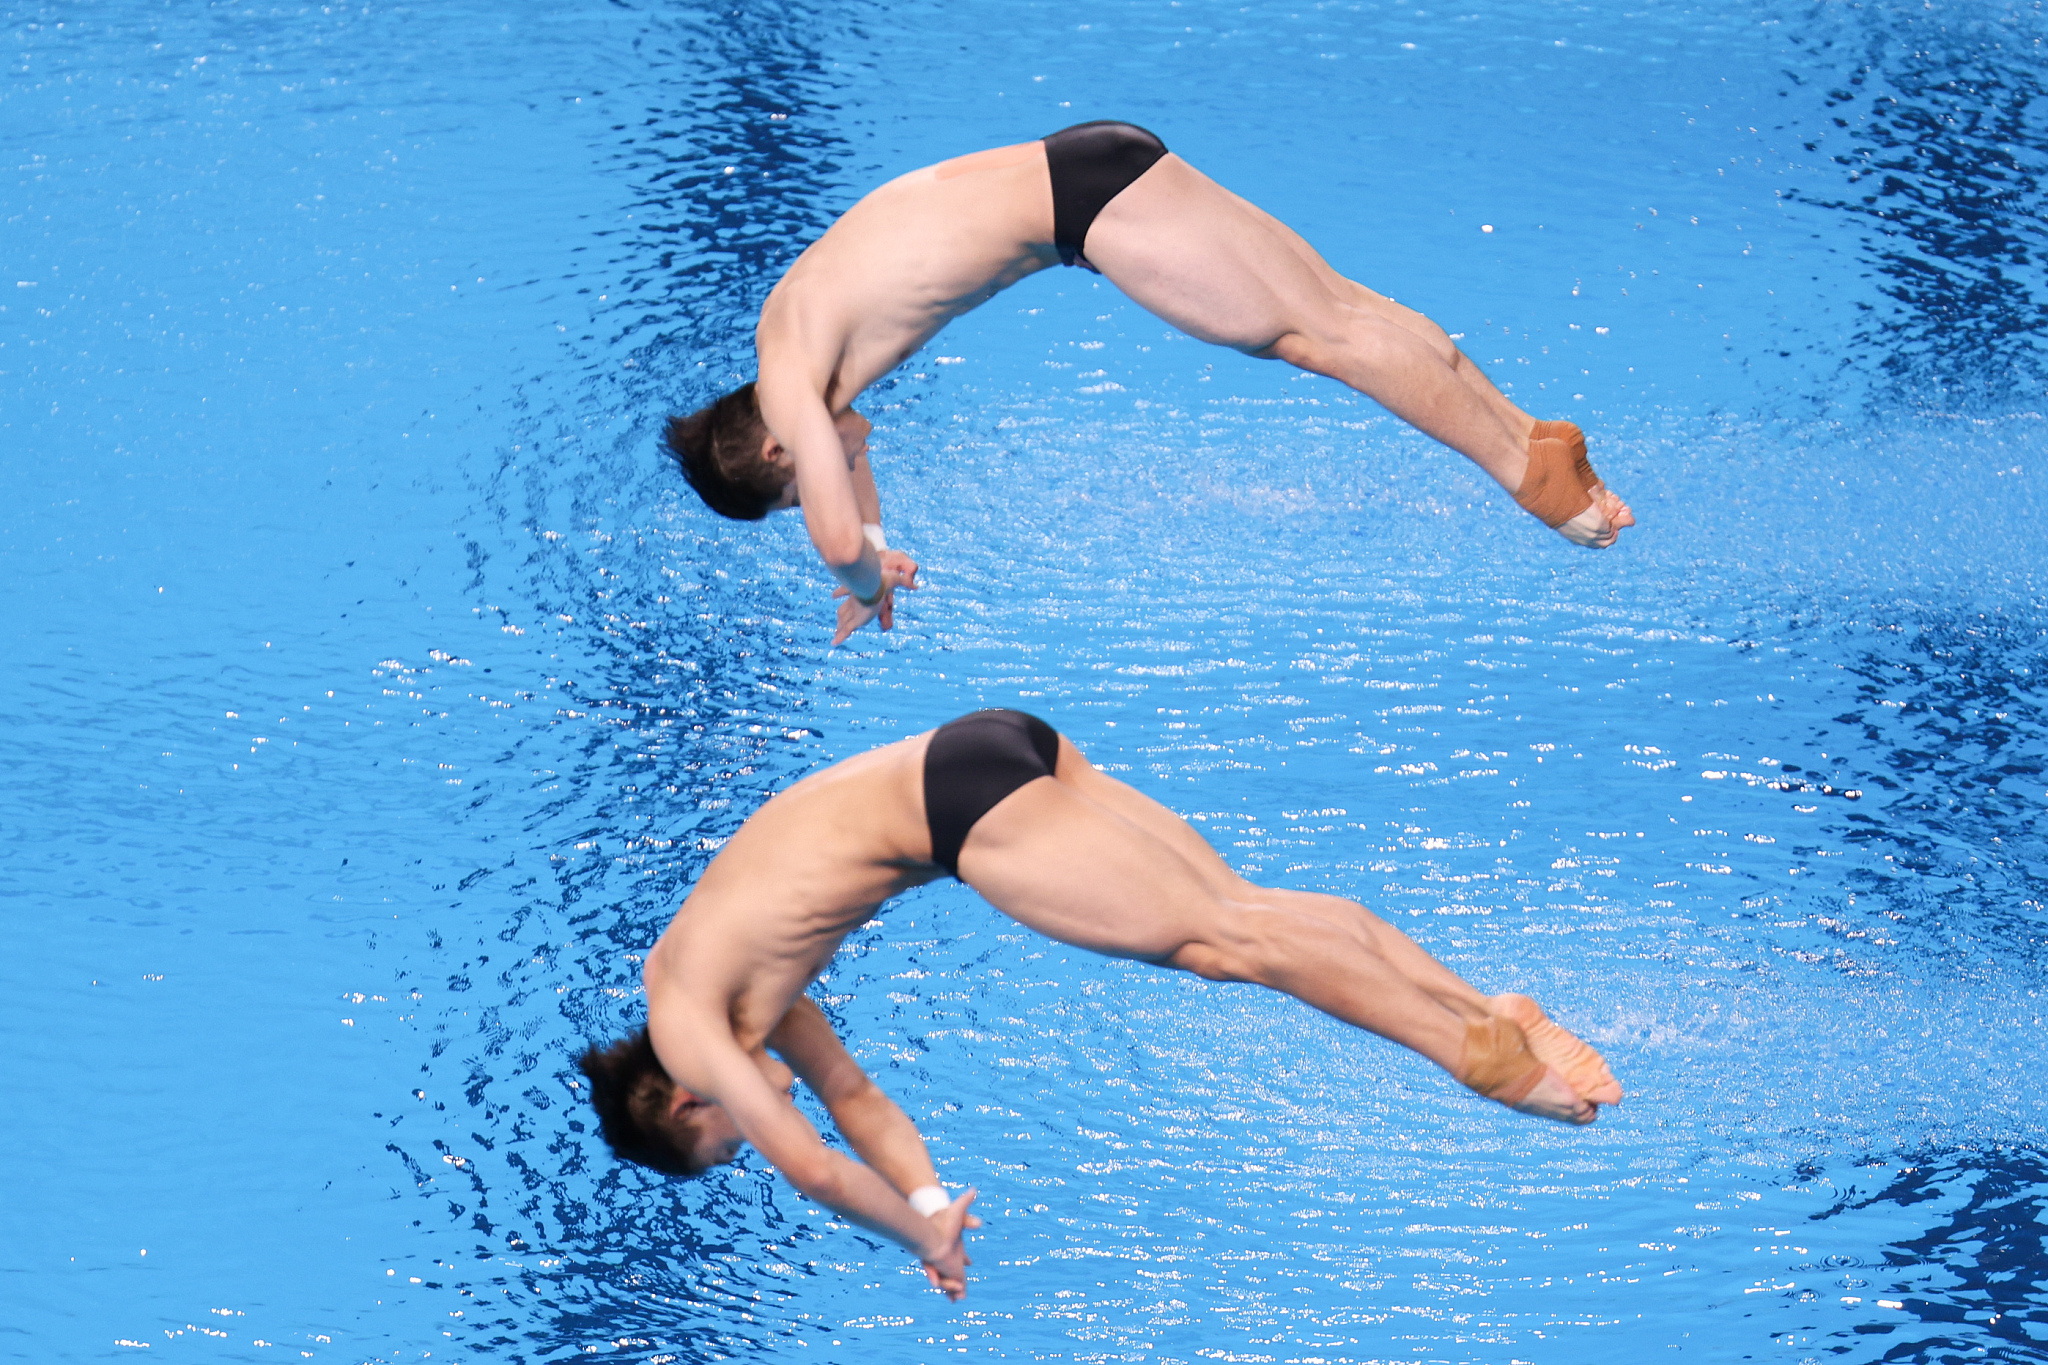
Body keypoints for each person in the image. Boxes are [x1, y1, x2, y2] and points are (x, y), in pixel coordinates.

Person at [577, 709, 1624, 1299]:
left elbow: (812, 1167)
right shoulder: (731, 991)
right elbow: (851, 1098)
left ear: (681, 1105)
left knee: (1227, 945)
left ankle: (1474, 1060)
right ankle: (1490, 1010)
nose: (761, 1127)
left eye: (730, 1143)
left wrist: (913, 1244)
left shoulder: (689, 1031)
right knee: (1242, 911)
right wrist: (933, 1208)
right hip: (981, 744)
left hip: (957, 812)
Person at [663, 121, 1637, 644]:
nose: (825, 472)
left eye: (795, 486)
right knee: (1342, 311)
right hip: (1088, 165)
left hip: (1089, 211)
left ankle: (1524, 476)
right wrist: (876, 551)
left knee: (1313, 337)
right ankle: (1531, 439)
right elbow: (856, 453)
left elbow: (832, 527)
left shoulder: (787, 375)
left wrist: (853, 569)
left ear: (774, 451)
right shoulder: (797, 335)